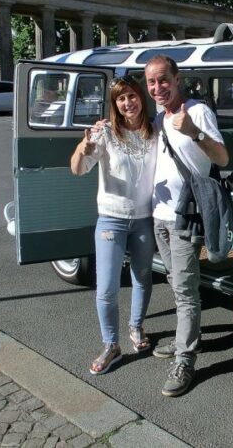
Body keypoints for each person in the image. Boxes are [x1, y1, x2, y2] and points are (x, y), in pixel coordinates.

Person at [145, 55, 228, 397]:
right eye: (151, 82)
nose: (157, 87)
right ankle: (186, 338)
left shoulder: (198, 111)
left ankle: (185, 359)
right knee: (174, 280)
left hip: (186, 215)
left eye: (163, 79)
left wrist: (194, 132)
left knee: (185, 288)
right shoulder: (159, 118)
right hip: (159, 214)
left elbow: (222, 157)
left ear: (178, 79)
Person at [70, 76, 158, 375]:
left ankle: (136, 326)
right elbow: (78, 169)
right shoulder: (105, 132)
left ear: (141, 98)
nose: (127, 103)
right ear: (115, 104)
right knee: (107, 287)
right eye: (121, 98)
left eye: (132, 96)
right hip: (111, 219)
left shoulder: (155, 132)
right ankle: (111, 345)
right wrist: (83, 146)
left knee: (142, 277)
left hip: (145, 218)